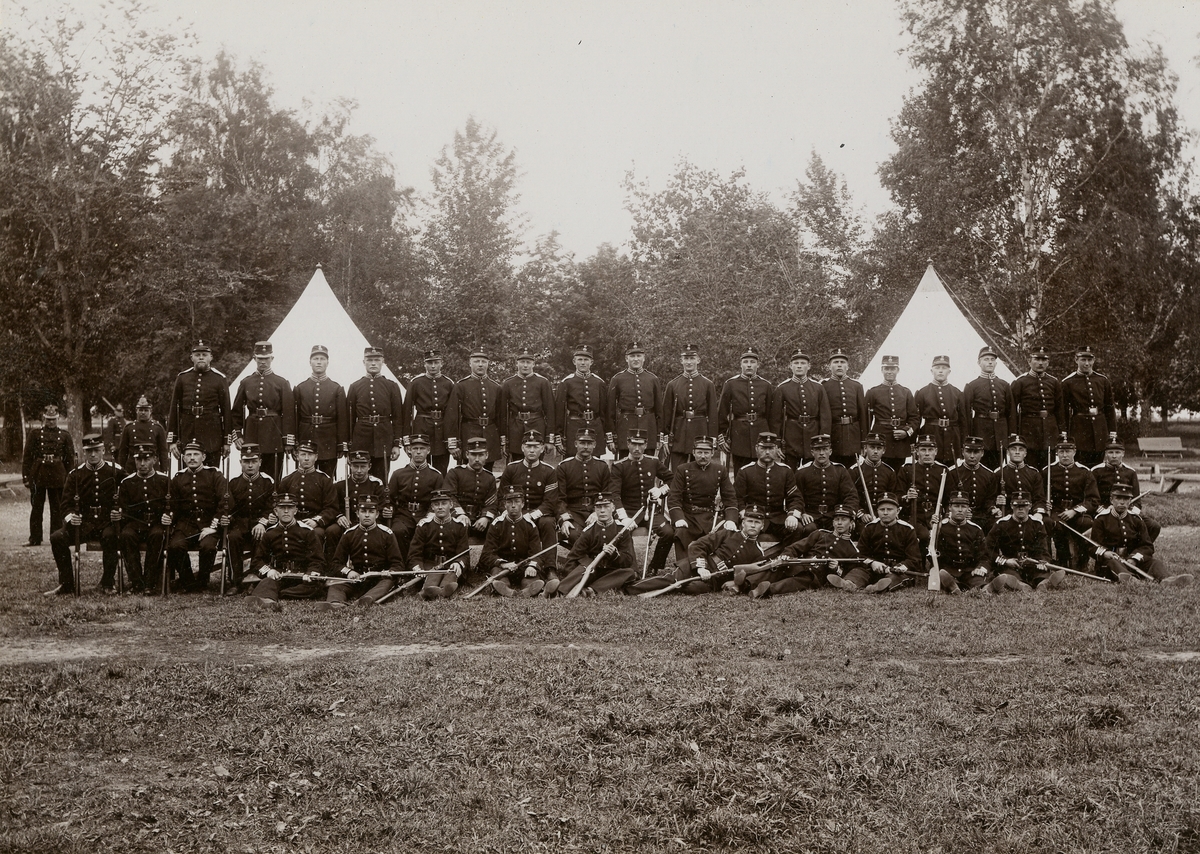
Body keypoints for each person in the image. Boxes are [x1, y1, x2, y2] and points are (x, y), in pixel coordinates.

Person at [631, 435, 738, 589]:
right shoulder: (683, 469)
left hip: (709, 516)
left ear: (712, 452)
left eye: (706, 452)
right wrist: (678, 517)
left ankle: (716, 572)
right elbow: (674, 498)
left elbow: (730, 497)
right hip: (688, 515)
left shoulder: (720, 470)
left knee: (724, 533)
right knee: (681, 531)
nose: (703, 456)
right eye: (699, 452)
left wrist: (731, 519)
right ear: (693, 452)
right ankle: (684, 570)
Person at [49, 435, 122, 595]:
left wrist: (120, 513)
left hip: (106, 522)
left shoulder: (115, 471)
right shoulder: (76, 474)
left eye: (96, 450)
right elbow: (65, 504)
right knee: (57, 538)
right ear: (84, 452)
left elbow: (129, 495)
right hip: (83, 524)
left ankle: (108, 582)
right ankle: (67, 584)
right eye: (89, 451)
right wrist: (70, 517)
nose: (93, 455)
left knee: (111, 536)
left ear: (103, 450)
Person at [741, 505, 862, 599]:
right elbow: (795, 548)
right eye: (837, 519)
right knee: (778, 567)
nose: (839, 523)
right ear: (833, 522)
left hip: (814, 577)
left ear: (851, 523)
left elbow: (846, 574)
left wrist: (836, 569)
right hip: (799, 565)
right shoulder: (820, 534)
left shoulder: (852, 550)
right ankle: (746, 584)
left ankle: (766, 590)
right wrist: (787, 556)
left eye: (844, 519)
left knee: (794, 582)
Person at [163, 440, 231, 592]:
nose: (192, 458)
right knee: (175, 546)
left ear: (204, 457)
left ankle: (202, 581)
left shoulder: (214, 475)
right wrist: (169, 516)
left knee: (208, 547)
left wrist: (214, 527)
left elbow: (225, 501)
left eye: (196, 454)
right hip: (186, 524)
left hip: (208, 522)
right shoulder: (178, 478)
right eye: (188, 455)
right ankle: (188, 581)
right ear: (183, 458)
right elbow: (172, 503)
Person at [1091, 484, 1191, 587]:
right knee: (1113, 563)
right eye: (1118, 498)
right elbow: (1092, 546)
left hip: (1131, 560)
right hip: (1111, 562)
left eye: (1126, 499)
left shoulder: (1136, 520)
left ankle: (1167, 580)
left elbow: (1147, 546)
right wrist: (1105, 553)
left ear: (1130, 501)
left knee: (1155, 562)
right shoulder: (1101, 520)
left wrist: (1134, 558)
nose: (1122, 502)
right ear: (1111, 500)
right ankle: (1131, 580)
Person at [246, 493, 328, 612]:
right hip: (279, 576)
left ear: (295, 510)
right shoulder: (270, 533)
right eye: (282, 508)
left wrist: (311, 573)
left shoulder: (307, 532)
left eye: (289, 508)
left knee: (313, 587)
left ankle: (277, 594)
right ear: (275, 511)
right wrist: (269, 571)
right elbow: (257, 561)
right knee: (269, 581)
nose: (286, 511)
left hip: (302, 577)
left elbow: (317, 560)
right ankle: (268, 598)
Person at [828, 493, 921, 593]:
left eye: (889, 509)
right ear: (877, 511)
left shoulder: (907, 529)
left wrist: (898, 567)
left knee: (893, 579)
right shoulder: (870, 528)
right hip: (874, 568)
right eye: (882, 510)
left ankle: (875, 588)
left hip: (896, 570)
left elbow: (914, 559)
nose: (885, 513)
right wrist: (872, 563)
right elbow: (861, 554)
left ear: (898, 511)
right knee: (859, 572)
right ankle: (849, 584)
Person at [611, 429, 674, 573]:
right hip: (628, 513)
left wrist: (661, 491)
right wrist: (623, 517)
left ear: (646, 445)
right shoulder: (619, 466)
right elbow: (614, 494)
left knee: (668, 532)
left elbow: (673, 479)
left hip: (649, 511)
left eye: (641, 444)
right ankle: (630, 570)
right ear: (628, 444)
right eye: (634, 444)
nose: (637, 448)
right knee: (623, 533)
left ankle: (655, 566)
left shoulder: (653, 462)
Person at [325, 495, 404, 609]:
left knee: (386, 583)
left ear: (377, 514)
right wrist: (348, 572)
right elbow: (336, 563)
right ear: (357, 514)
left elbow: (398, 564)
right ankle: (336, 603)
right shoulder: (349, 534)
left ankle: (366, 600)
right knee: (335, 586)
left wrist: (389, 572)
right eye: (363, 511)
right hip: (357, 578)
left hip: (378, 578)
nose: (367, 515)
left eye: (371, 512)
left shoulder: (387, 534)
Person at [733, 432, 811, 546]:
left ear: (777, 449)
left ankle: (785, 558)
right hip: (753, 516)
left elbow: (795, 497)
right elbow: (737, 497)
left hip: (777, 518)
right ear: (756, 449)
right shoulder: (745, 471)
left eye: (771, 448)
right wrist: (743, 513)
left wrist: (792, 515)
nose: (767, 452)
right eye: (763, 448)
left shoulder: (785, 471)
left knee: (797, 528)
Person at [232, 341, 295, 482]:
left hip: (274, 436)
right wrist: (237, 435)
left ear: (272, 359)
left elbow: (289, 414)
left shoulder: (281, 383)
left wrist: (288, 440)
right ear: (254, 358)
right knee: (251, 475)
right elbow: (236, 412)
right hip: (251, 435)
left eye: (266, 358)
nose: (263, 362)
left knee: (273, 478)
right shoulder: (246, 382)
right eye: (260, 358)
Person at [497, 430, 560, 572]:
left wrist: (531, 515)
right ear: (522, 448)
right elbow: (501, 497)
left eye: (536, 446)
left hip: (538, 514)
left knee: (549, 523)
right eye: (528, 446)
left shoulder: (549, 471)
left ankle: (550, 568)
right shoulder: (511, 468)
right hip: (514, 512)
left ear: (542, 448)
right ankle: (507, 565)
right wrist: (511, 514)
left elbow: (550, 502)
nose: (532, 450)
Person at [554, 496, 638, 596]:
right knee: (584, 566)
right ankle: (558, 590)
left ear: (613, 508)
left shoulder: (622, 530)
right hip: (592, 572)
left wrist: (615, 555)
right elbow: (572, 558)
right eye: (598, 507)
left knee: (629, 573)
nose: (602, 511)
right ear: (594, 509)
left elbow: (628, 560)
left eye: (606, 506)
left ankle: (591, 590)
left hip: (612, 572)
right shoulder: (588, 532)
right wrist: (573, 575)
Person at [115, 443, 170, 595]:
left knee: (158, 535)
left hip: (156, 522)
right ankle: (136, 583)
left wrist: (169, 516)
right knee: (126, 535)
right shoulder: (127, 482)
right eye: (138, 460)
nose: (142, 464)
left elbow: (171, 505)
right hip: (135, 522)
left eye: (147, 459)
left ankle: (150, 583)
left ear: (155, 459)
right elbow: (123, 507)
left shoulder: (164, 481)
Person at [167, 340, 232, 469]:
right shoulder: (182, 378)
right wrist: (172, 440)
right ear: (192, 358)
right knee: (186, 475)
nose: (201, 357)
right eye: (197, 355)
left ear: (211, 357)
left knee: (211, 474)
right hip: (187, 434)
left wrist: (226, 442)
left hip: (212, 437)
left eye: (204, 354)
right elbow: (174, 409)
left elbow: (226, 411)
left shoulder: (219, 379)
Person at [680, 505, 771, 595]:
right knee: (672, 579)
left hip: (714, 581)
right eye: (750, 521)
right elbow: (698, 545)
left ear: (762, 526)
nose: (753, 525)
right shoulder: (728, 533)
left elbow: (751, 575)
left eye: (757, 522)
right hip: (701, 565)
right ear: (743, 523)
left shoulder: (758, 552)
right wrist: (700, 568)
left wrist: (735, 583)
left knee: (693, 588)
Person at [347, 346, 406, 481]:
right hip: (361, 439)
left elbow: (398, 418)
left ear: (383, 362)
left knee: (382, 478)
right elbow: (349, 418)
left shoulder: (392, 386)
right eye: (369, 360)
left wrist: (396, 444)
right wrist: (349, 444)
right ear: (364, 362)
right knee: (359, 476)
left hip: (384, 439)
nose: (373, 363)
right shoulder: (355, 387)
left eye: (377, 360)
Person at [985, 490, 1062, 592]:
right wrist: (1005, 561)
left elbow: (1043, 549)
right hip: (1011, 565)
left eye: (1024, 505)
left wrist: (1042, 562)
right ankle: (1020, 585)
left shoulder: (1037, 524)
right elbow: (988, 548)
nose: (1020, 508)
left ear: (1030, 506)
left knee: (1041, 573)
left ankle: (1043, 583)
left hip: (1032, 564)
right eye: (1017, 505)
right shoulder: (1002, 524)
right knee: (1010, 576)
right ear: (1011, 506)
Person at [224, 444, 276, 592]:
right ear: (240, 463)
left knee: (260, 537)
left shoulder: (268, 482)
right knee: (232, 538)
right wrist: (229, 519)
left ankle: (255, 578)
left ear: (260, 462)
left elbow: (271, 507)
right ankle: (235, 581)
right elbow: (229, 508)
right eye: (246, 461)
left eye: (253, 461)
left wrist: (262, 522)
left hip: (259, 524)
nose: (250, 465)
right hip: (239, 525)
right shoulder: (233, 483)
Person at [478, 489, 547, 598]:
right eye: (509, 502)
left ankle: (528, 589)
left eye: (517, 502)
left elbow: (537, 554)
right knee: (498, 575)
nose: (513, 505)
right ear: (505, 505)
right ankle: (504, 589)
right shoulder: (496, 525)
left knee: (530, 577)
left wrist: (532, 566)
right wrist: (502, 564)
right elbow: (487, 554)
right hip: (502, 567)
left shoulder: (530, 526)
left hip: (523, 567)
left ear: (523, 504)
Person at [293, 344, 349, 478]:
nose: (319, 362)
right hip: (305, 436)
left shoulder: (337, 388)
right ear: (310, 362)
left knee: (327, 478)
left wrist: (341, 444)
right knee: (304, 476)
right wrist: (294, 442)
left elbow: (342, 418)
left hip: (328, 440)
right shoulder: (300, 388)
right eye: (315, 358)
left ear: (328, 362)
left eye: (322, 359)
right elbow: (295, 417)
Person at [22, 403, 74, 547]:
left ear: (58, 419)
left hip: (57, 474)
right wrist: (26, 476)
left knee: (57, 507)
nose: (51, 422)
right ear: (44, 419)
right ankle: (35, 538)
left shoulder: (65, 435)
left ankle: (55, 537)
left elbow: (69, 460)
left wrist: (70, 478)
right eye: (48, 419)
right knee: (36, 507)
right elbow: (27, 457)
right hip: (39, 473)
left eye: (54, 419)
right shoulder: (35, 434)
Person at [385, 433, 445, 560]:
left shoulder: (436, 476)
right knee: (398, 531)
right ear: (409, 450)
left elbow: (438, 501)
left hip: (425, 515)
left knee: (429, 532)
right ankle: (401, 568)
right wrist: (389, 509)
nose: (418, 452)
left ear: (428, 450)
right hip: (403, 515)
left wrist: (429, 516)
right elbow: (389, 498)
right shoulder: (398, 474)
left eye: (422, 449)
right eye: (415, 448)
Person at [933, 492, 1006, 594]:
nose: (960, 510)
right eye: (956, 506)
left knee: (977, 581)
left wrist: (981, 568)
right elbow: (932, 552)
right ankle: (952, 585)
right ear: (950, 507)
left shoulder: (975, 529)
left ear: (968, 509)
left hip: (969, 570)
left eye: (963, 507)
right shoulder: (941, 528)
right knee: (944, 575)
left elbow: (984, 555)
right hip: (948, 570)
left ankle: (987, 588)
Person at [277, 441, 339, 560]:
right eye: (303, 454)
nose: (306, 458)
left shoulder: (324, 480)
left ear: (316, 457)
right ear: (296, 456)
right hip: (293, 521)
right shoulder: (287, 480)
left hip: (315, 522)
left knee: (317, 534)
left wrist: (316, 521)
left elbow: (331, 507)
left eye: (310, 455)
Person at [770, 348, 831, 468]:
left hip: (813, 436)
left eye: (803, 363)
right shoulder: (782, 388)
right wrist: (777, 443)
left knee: (812, 475)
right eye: (796, 363)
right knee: (791, 475)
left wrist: (823, 440)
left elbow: (825, 416)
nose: (799, 366)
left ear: (809, 366)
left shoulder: (818, 387)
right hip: (791, 439)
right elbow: (775, 418)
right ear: (790, 366)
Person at [662, 343, 719, 469]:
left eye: (692, 358)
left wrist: (712, 438)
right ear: (681, 360)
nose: (689, 362)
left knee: (700, 471)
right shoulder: (672, 385)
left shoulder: (707, 384)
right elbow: (666, 414)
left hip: (700, 431)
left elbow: (713, 413)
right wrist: (665, 438)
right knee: (677, 471)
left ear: (698, 360)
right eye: (686, 359)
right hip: (679, 434)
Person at [1046, 439, 1101, 569]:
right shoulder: (1048, 471)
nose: (1065, 455)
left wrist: (1075, 510)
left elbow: (1093, 500)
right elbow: (1041, 495)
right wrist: (1046, 505)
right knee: (1055, 524)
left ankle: (1082, 560)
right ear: (1057, 453)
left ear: (1074, 452)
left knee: (1086, 524)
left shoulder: (1085, 472)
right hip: (1057, 510)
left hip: (1078, 512)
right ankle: (1063, 560)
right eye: (1061, 452)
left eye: (1068, 451)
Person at [555, 428, 613, 547]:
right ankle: (587, 564)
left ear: (594, 445)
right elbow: (559, 498)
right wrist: (565, 519)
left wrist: (597, 512)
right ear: (576, 444)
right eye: (582, 443)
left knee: (603, 534)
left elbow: (606, 494)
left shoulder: (602, 466)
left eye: (589, 443)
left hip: (596, 511)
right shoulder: (564, 467)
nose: (586, 446)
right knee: (575, 535)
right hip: (573, 512)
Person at [1061, 345, 1117, 468]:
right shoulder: (1068, 382)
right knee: (1081, 466)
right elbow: (1064, 410)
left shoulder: (1102, 380)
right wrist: (1064, 432)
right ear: (1076, 360)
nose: (1087, 363)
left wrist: (1112, 431)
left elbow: (1109, 407)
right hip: (1080, 430)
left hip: (1100, 429)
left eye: (1089, 360)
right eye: (1083, 360)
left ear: (1094, 360)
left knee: (1099, 466)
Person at [1090, 441, 1159, 541]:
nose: (1114, 456)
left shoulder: (1130, 472)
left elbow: (1137, 501)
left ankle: (1137, 551)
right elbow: (1092, 497)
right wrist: (1105, 510)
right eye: (1110, 452)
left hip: (1126, 510)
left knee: (1154, 526)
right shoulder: (1096, 471)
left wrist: (1128, 512)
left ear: (1123, 453)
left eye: (1117, 452)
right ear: (1105, 454)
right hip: (1104, 511)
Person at [718, 346, 773, 471]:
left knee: (762, 473)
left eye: (752, 362)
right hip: (739, 436)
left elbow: (771, 415)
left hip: (761, 434)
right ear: (740, 364)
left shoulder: (766, 385)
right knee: (740, 473)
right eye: (746, 362)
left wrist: (772, 439)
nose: (749, 365)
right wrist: (722, 438)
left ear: (758, 365)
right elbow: (721, 413)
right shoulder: (731, 384)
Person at [446, 348, 502, 470]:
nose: (480, 364)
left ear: (488, 364)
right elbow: (452, 416)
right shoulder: (461, 386)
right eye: (477, 361)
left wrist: (502, 442)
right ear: (470, 363)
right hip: (469, 434)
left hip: (490, 435)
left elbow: (500, 416)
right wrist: (453, 443)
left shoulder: (496, 387)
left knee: (488, 471)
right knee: (467, 473)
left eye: (483, 361)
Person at [327, 450, 389, 559]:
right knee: (332, 531)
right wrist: (339, 516)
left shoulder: (376, 484)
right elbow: (333, 505)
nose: (359, 470)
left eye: (363, 466)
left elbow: (381, 506)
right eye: (355, 466)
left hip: (369, 521)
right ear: (350, 466)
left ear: (369, 466)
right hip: (347, 521)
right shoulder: (341, 484)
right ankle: (332, 566)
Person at [409, 490, 470, 600]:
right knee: (433, 576)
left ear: (451, 505)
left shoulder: (459, 526)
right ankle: (430, 591)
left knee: (450, 576)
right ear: (432, 507)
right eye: (436, 504)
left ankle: (441, 590)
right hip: (430, 565)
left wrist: (458, 563)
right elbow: (414, 553)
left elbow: (464, 553)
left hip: (451, 564)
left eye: (444, 503)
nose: (440, 507)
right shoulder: (424, 526)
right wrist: (418, 568)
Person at [499, 346, 556, 462]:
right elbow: (502, 413)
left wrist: (549, 439)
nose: (525, 365)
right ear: (517, 364)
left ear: (533, 364)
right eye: (522, 362)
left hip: (537, 426)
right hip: (515, 429)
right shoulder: (508, 383)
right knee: (516, 463)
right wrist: (504, 440)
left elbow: (550, 411)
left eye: (528, 362)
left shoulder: (543, 382)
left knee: (537, 463)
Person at [1010, 346, 1064, 469]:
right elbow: (1013, 408)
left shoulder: (1054, 382)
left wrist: (1061, 430)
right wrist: (1014, 431)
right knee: (1030, 465)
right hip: (1029, 430)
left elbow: (1059, 408)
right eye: (1037, 359)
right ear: (1029, 361)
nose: (1040, 363)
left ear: (1048, 362)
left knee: (1048, 466)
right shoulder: (1020, 382)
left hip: (1050, 429)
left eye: (1044, 360)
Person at [608, 341, 663, 459]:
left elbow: (659, 411)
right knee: (625, 466)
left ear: (644, 358)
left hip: (648, 427)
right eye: (632, 356)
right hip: (626, 427)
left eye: (639, 356)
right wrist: (611, 436)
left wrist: (659, 436)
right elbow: (610, 411)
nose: (635, 359)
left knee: (649, 464)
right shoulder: (617, 379)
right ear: (626, 359)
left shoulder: (652, 379)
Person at [963, 346, 1015, 468]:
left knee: (999, 468)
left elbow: (1011, 411)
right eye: (986, 359)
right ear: (979, 363)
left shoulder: (1004, 385)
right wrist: (968, 436)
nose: (990, 362)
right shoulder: (972, 386)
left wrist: (1011, 433)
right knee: (981, 467)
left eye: (992, 359)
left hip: (1001, 432)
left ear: (996, 363)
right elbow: (966, 413)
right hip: (981, 431)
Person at [865, 355, 919, 471]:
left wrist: (906, 432)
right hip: (880, 440)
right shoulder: (873, 392)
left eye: (892, 369)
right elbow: (866, 420)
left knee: (899, 473)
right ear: (882, 370)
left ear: (897, 370)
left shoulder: (906, 392)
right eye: (886, 368)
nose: (889, 372)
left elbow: (914, 418)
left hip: (900, 443)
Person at [794, 434, 858, 532]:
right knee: (809, 529)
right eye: (818, 450)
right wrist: (802, 513)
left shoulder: (840, 471)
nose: (821, 453)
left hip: (834, 516)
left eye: (825, 449)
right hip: (811, 516)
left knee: (844, 528)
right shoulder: (802, 472)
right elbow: (796, 497)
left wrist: (848, 515)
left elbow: (851, 496)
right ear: (812, 452)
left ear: (830, 451)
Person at [554, 344, 608, 459]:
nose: (583, 363)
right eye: (580, 359)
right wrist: (559, 436)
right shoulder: (567, 382)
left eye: (586, 360)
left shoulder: (599, 383)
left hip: (595, 428)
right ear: (574, 361)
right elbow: (559, 412)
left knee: (595, 465)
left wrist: (604, 433)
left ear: (591, 362)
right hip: (574, 428)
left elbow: (604, 412)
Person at [406, 349, 455, 473]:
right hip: (421, 427)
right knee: (420, 465)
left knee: (441, 467)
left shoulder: (448, 383)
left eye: (436, 362)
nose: (433, 366)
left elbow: (453, 413)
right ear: (424, 364)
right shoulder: (416, 382)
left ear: (441, 363)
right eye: (429, 363)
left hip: (442, 429)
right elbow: (407, 411)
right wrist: (407, 439)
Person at [915, 355, 969, 465]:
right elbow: (916, 420)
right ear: (932, 370)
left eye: (944, 368)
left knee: (951, 469)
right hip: (931, 435)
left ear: (949, 371)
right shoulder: (922, 392)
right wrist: (914, 443)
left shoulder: (957, 393)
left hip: (952, 437)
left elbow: (963, 421)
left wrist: (964, 443)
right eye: (937, 367)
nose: (940, 371)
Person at [897, 435, 948, 547]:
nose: (927, 453)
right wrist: (907, 497)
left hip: (936, 515)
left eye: (930, 450)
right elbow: (897, 495)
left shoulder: (943, 471)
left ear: (936, 451)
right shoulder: (907, 470)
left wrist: (943, 517)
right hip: (914, 515)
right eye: (923, 450)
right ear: (917, 451)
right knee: (922, 536)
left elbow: (948, 499)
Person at [822, 349, 869, 468]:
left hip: (853, 435)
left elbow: (862, 415)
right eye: (835, 362)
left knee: (853, 468)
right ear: (829, 366)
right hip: (834, 434)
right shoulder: (823, 385)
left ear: (847, 366)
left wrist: (863, 441)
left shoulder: (856, 386)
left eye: (842, 362)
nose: (839, 365)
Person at [444, 437, 498, 543]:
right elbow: (449, 496)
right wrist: (460, 514)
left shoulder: (489, 477)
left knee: (497, 530)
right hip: (458, 517)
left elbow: (492, 503)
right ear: (467, 454)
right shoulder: (455, 473)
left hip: (479, 519)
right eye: (473, 454)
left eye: (481, 455)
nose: (477, 459)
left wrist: (485, 517)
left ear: (486, 455)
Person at [943, 436, 999, 532]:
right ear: (962, 452)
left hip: (981, 516)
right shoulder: (952, 473)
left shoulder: (989, 474)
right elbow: (948, 497)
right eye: (968, 452)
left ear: (982, 453)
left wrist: (992, 508)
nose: (972, 456)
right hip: (958, 514)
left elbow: (990, 499)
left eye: (976, 452)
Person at [850, 433, 898, 525]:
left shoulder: (889, 472)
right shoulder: (855, 471)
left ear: (884, 450)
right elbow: (850, 498)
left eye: (879, 448)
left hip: (884, 516)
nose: (875, 451)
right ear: (865, 449)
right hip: (862, 517)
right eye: (872, 447)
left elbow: (893, 496)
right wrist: (862, 514)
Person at [995, 435, 1046, 519]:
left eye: (1021, 449)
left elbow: (1039, 498)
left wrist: (1038, 512)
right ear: (1008, 452)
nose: (1017, 452)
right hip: (1007, 513)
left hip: (1030, 513)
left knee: (1047, 522)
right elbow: (992, 497)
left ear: (1025, 453)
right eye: (1013, 449)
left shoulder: (1034, 473)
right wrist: (997, 502)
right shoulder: (999, 473)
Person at [117, 396, 168, 473]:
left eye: (146, 410)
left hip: (153, 468)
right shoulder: (128, 428)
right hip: (133, 467)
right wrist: (122, 470)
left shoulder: (158, 428)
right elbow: (123, 452)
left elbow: (163, 452)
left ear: (150, 411)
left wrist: (164, 470)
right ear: (136, 410)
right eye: (140, 410)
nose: (143, 412)